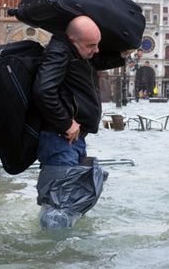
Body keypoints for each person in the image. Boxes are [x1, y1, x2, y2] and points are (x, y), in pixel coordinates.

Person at [32, 15, 132, 228]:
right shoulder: (59, 53)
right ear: (71, 39)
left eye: (97, 44)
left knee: (66, 203)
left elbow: (96, 60)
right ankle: (53, 258)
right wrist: (65, 123)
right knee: (58, 208)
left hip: (71, 141)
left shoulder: (75, 52)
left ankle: (64, 254)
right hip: (60, 140)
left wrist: (122, 54)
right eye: (91, 45)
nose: (95, 50)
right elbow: (43, 90)